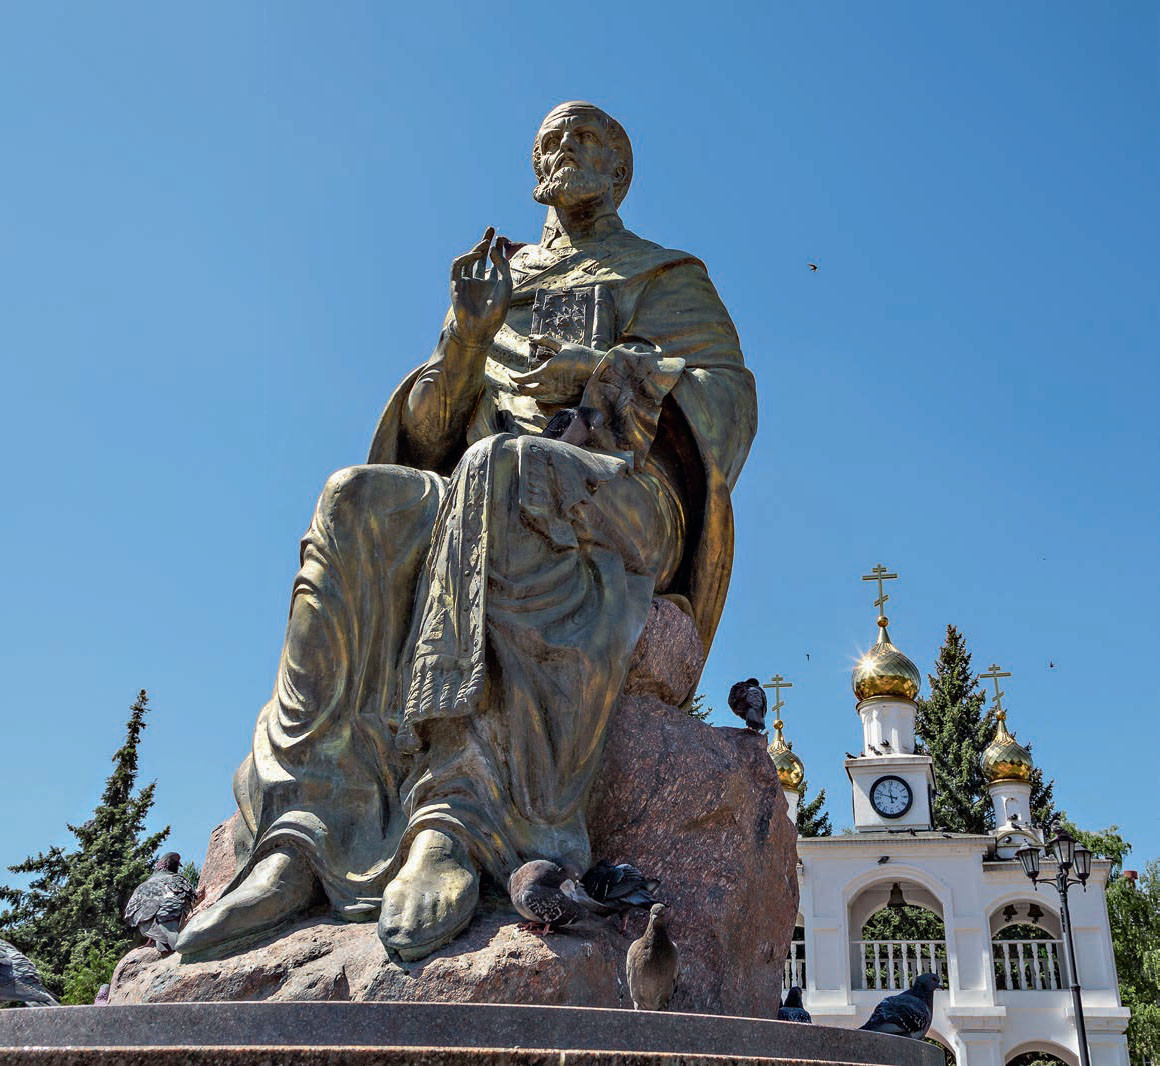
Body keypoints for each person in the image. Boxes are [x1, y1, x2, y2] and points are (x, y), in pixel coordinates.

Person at [177, 101, 757, 962]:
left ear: (621, 170)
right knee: (355, 499)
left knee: (501, 472)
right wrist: (466, 339)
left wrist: (600, 373)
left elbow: (727, 404)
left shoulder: (664, 274)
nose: (565, 149)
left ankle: (461, 820)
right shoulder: (503, 277)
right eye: (551, 141)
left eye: (587, 138)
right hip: (484, 484)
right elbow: (430, 432)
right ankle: (305, 829)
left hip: (619, 494)